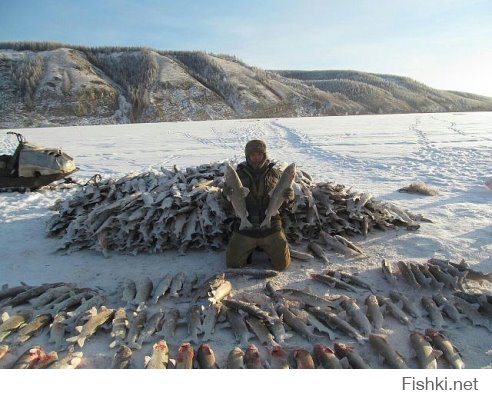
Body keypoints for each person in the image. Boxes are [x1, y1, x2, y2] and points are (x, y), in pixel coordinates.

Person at [222, 139, 295, 271]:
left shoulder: (275, 174)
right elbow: (226, 205)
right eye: (253, 155)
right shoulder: (237, 174)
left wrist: (289, 197)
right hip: (246, 226)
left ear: (264, 155)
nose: (256, 158)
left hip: (270, 225)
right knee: (233, 265)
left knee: (282, 266)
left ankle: (267, 247)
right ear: (247, 156)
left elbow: (285, 205)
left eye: (259, 154)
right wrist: (225, 195)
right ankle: (250, 249)